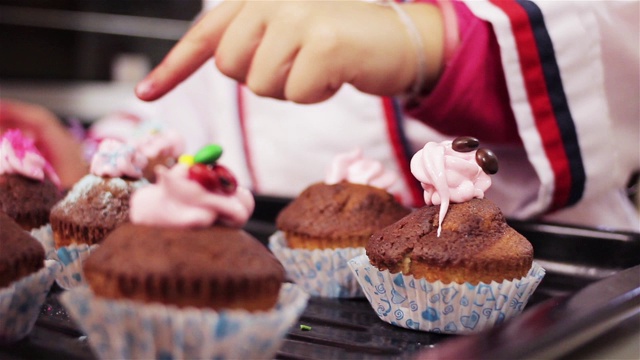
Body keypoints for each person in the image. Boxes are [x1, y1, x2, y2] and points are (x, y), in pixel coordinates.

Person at [1, 0, 638, 232]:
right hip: (278, 272)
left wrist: (426, 40)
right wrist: (89, 164)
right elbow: (188, 107)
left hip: (550, 284)